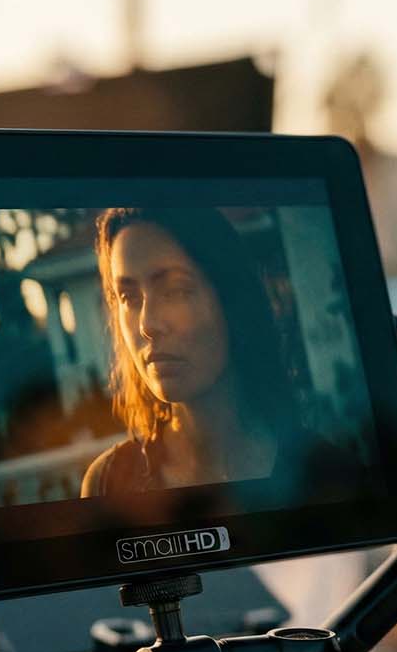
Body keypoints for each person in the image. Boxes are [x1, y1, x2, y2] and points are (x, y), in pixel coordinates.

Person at [81, 207, 333, 497]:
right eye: (128, 297)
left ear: (232, 301)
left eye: (175, 291)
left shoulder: (326, 478)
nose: (147, 325)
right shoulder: (108, 485)